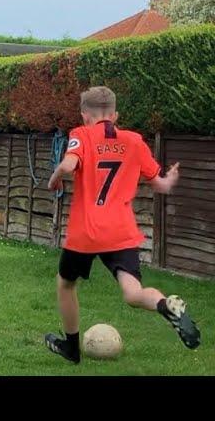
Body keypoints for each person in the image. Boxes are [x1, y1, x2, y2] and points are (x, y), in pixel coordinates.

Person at [44, 86, 201, 364]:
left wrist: (55, 176)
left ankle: (71, 348)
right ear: (115, 115)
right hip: (121, 231)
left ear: (84, 116)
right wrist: (172, 178)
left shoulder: (80, 135)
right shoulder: (134, 141)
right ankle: (166, 305)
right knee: (133, 293)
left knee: (65, 284)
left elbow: (69, 165)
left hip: (87, 231)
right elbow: (161, 185)